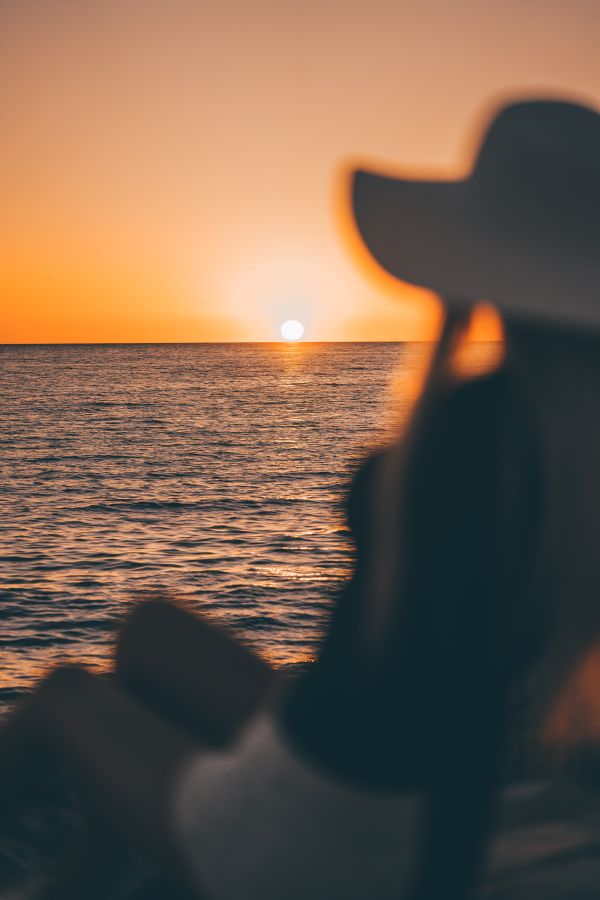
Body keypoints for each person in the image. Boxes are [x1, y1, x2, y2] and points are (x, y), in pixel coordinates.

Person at [1, 96, 600, 900]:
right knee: (149, 631)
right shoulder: (557, 442)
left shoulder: (480, 431)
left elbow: (463, 691)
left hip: (337, 821)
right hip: (366, 755)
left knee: (65, 697)